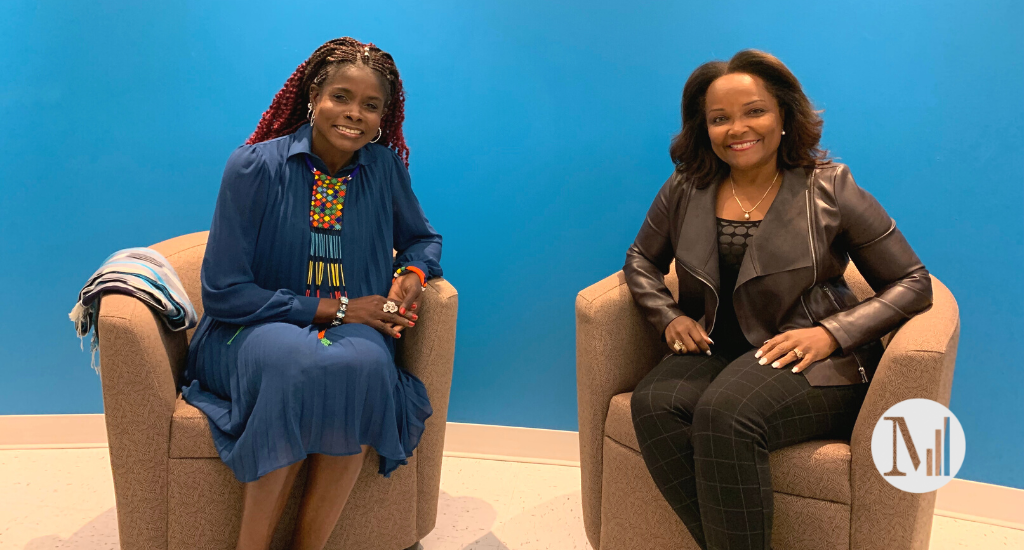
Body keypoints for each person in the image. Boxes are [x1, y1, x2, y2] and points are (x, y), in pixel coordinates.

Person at [624, 50, 932, 550]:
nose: (737, 128)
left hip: (812, 362)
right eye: (719, 118)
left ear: (784, 115)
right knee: (655, 404)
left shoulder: (830, 187)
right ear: (704, 128)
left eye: (754, 111)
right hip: (719, 350)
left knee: (725, 413)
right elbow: (640, 259)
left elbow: (914, 282)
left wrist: (831, 333)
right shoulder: (686, 187)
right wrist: (667, 316)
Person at [181, 37, 442, 550]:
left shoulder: (384, 168)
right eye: (341, 97)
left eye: (371, 106)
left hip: (354, 328)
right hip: (246, 330)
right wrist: (343, 308)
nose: (354, 115)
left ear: (385, 117)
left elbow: (422, 237)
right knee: (292, 362)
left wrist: (413, 271)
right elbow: (224, 294)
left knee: (367, 367)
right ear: (312, 97)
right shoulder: (253, 167)